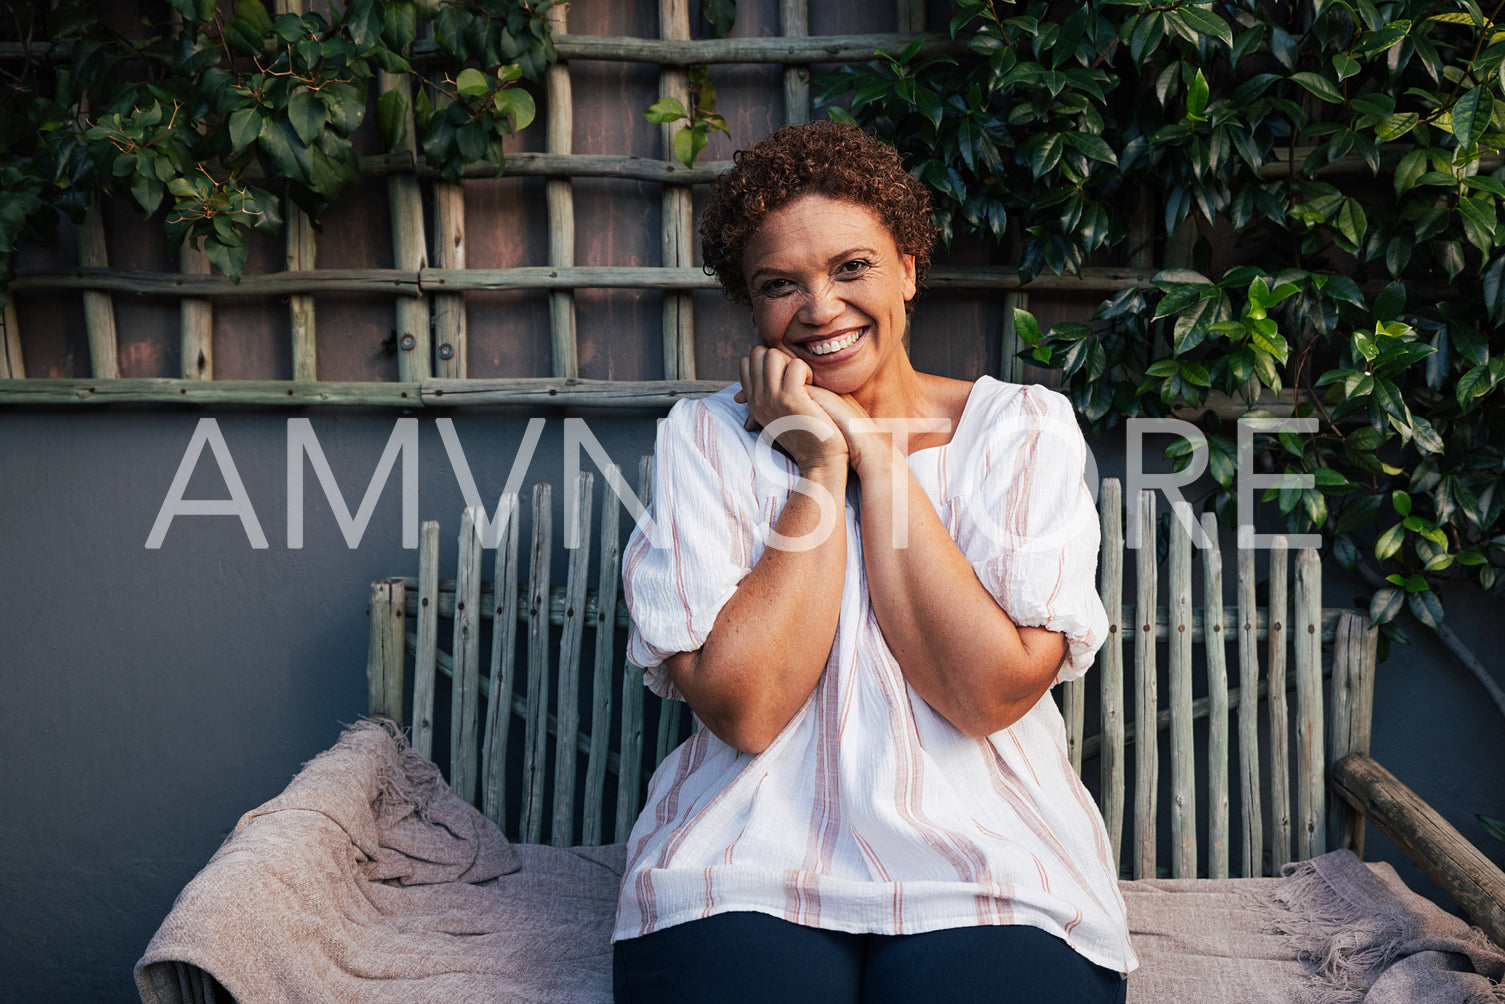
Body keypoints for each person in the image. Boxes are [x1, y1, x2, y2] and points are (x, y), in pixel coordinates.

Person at [611, 121, 1135, 1003]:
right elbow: (746, 710)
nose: (818, 310)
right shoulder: (704, 439)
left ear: (908, 267)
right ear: (752, 306)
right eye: (781, 285)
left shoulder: (1020, 431)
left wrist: (878, 458)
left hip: (993, 861)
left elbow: (984, 693)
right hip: (742, 857)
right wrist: (819, 469)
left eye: (850, 268)